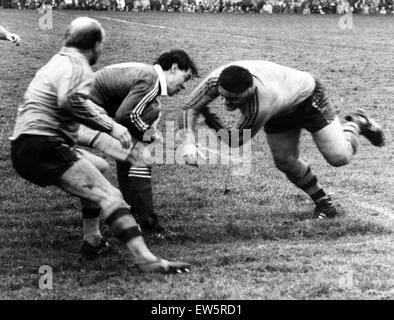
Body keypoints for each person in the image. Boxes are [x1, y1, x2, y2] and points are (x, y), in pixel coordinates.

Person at [10, 17, 190, 274]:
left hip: (25, 145)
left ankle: (92, 240)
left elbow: (73, 102)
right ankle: (146, 259)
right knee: (111, 196)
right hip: (44, 145)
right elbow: (71, 101)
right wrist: (112, 127)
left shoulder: (59, 60)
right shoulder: (78, 65)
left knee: (99, 165)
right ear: (96, 45)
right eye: (101, 45)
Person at [179, 61, 385, 219]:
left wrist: (210, 117)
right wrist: (188, 141)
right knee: (284, 160)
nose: (225, 103)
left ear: (249, 91)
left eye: (233, 99)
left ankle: (357, 122)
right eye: (222, 96)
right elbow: (189, 107)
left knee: (339, 157)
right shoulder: (217, 79)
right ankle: (325, 204)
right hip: (281, 107)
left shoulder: (261, 104)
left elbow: (234, 140)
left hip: (308, 98)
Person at [77, 49, 198, 236]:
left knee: (147, 125)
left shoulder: (148, 76)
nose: (184, 86)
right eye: (186, 77)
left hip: (84, 114)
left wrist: (150, 134)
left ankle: (131, 216)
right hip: (80, 119)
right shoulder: (152, 80)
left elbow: (126, 115)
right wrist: (152, 136)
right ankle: (148, 224)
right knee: (141, 157)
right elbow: (125, 115)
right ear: (173, 69)